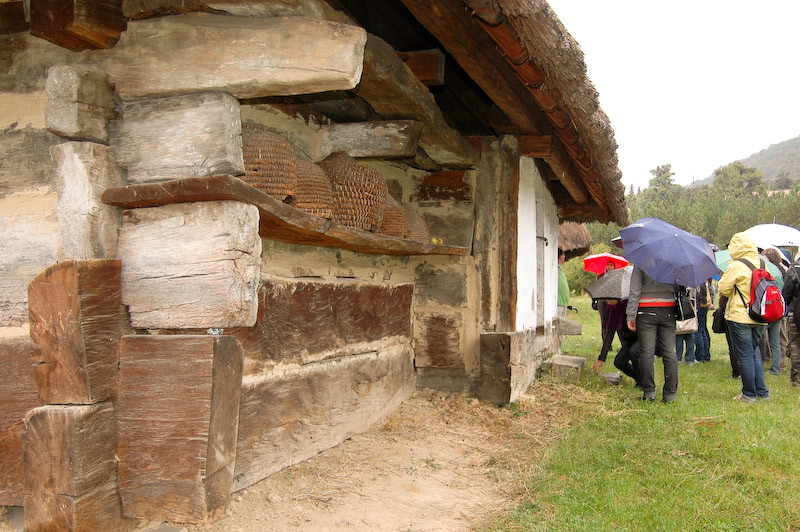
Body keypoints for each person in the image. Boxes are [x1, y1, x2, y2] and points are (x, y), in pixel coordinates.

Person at [718, 232, 769, 403]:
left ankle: (748, 394)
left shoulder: (736, 265)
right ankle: (762, 391)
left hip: (740, 316)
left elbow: (724, 289)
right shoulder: (762, 262)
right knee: (754, 353)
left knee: (745, 355)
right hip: (760, 315)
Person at [626, 265, 679, 402]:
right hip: (669, 310)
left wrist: (631, 315)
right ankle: (670, 394)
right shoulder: (673, 261)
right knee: (669, 352)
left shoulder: (641, 261)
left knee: (646, 353)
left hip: (646, 310)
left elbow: (635, 290)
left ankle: (649, 392)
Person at [760, 247, 785, 374]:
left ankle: (760, 362)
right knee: (775, 340)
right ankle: (776, 368)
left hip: (766, 310)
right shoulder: (778, 274)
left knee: (760, 337)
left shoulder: (762, 275)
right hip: (777, 310)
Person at [782, 256, 800, 387]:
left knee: (795, 345)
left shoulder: (794, 268)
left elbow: (786, 292)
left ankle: (796, 379)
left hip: (796, 310)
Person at [693, 279, 715, 362]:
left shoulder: (698, 279)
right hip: (704, 306)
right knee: (703, 331)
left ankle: (700, 356)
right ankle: (706, 355)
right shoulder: (704, 278)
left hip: (699, 307)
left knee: (698, 332)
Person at [675, 287, 697, 365]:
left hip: (679, 310)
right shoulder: (690, 284)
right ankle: (690, 359)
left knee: (679, 336)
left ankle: (678, 358)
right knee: (689, 336)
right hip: (689, 310)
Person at [557, 248, 569, 317]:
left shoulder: (560, 270)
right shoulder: (555, 269)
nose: (564, 256)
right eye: (563, 254)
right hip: (558, 304)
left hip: (563, 304)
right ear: (560, 256)